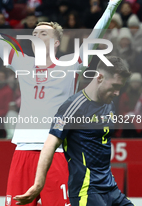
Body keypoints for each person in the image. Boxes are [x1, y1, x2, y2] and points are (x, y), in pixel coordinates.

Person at [0, 0, 125, 206]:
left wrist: (112, 5)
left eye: (43, 33)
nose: (36, 35)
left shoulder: (72, 63)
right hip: (23, 150)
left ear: (56, 42)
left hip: (56, 153)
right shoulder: (21, 62)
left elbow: (96, 35)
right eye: (34, 33)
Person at [14, 56, 134, 206]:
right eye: (115, 86)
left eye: (120, 88)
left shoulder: (109, 105)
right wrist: (38, 184)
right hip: (86, 192)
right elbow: (49, 145)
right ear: (100, 77)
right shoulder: (73, 106)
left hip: (111, 189)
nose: (117, 93)